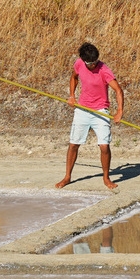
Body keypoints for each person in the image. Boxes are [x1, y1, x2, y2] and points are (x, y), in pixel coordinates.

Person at [55, 42, 124, 189]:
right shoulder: (79, 64)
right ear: (83, 60)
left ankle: (106, 178)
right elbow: (74, 78)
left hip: (100, 111)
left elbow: (118, 90)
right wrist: (72, 96)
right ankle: (67, 177)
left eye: (95, 62)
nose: (93, 65)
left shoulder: (104, 70)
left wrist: (119, 112)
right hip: (82, 110)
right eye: (90, 63)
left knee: (104, 146)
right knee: (74, 144)